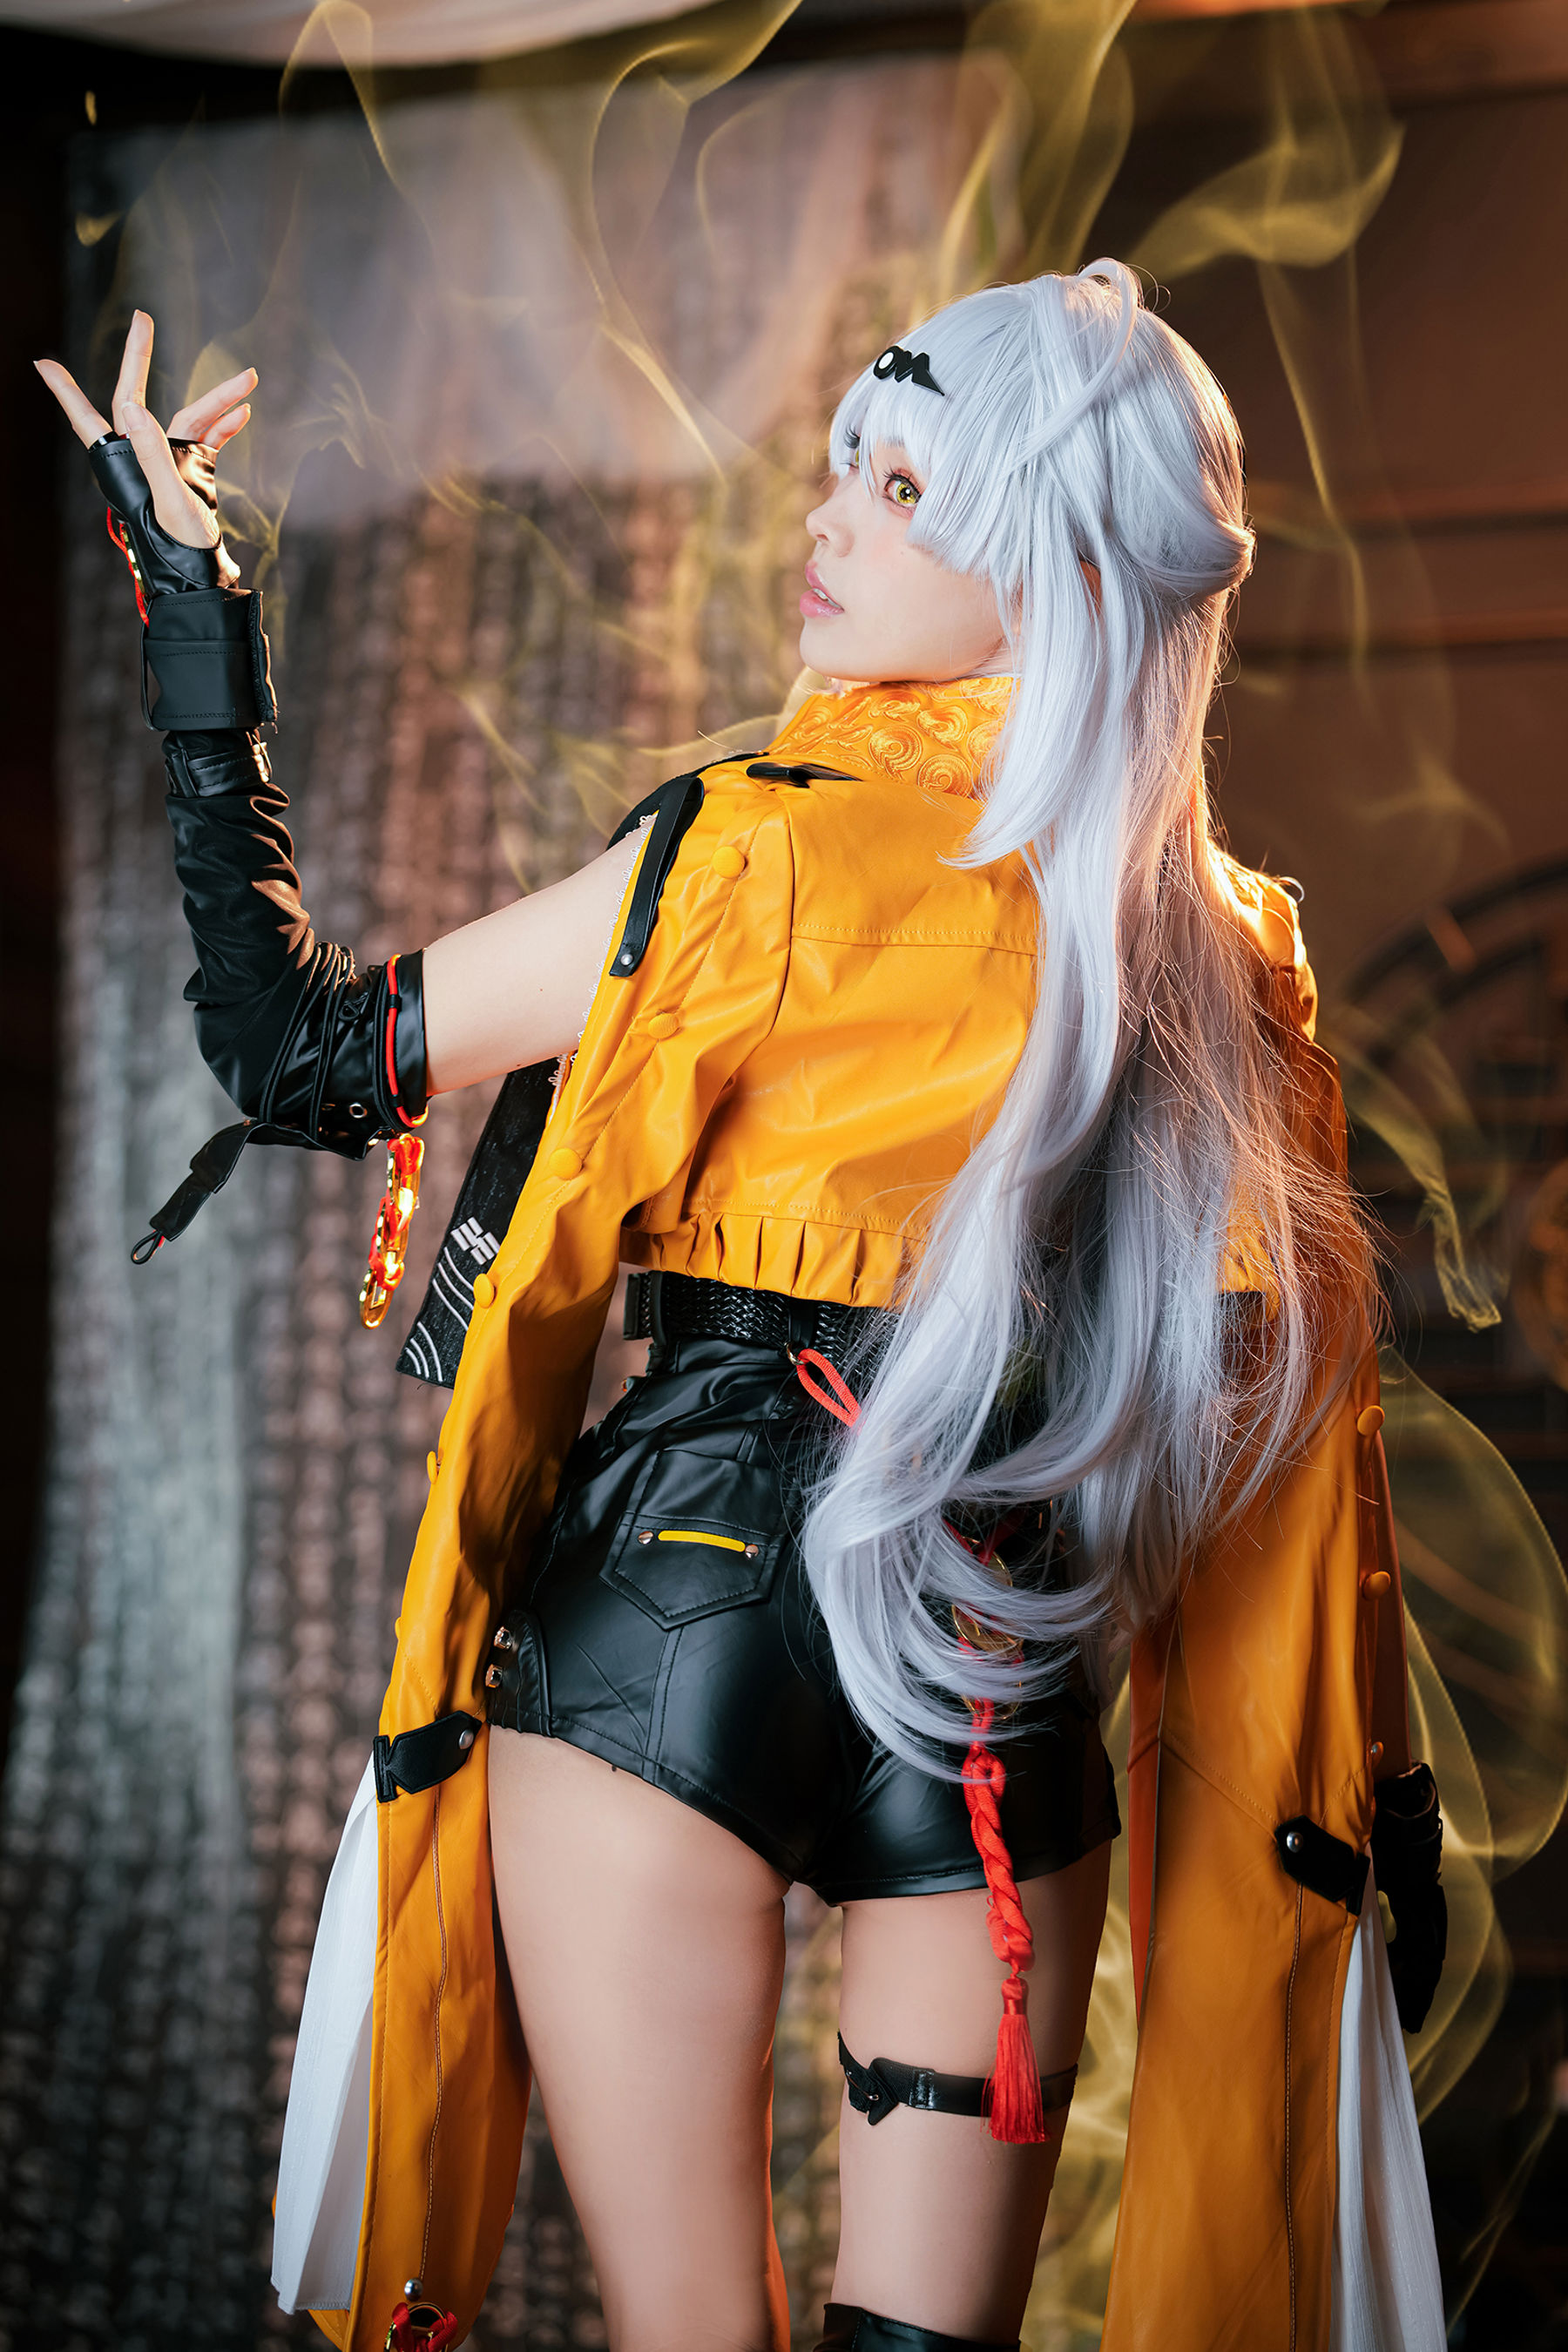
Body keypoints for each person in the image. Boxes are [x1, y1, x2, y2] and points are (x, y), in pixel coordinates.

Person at [38, 260, 1449, 2352]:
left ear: (1068, 563)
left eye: (903, 486)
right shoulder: (1221, 946)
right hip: (991, 1670)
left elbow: (299, 1049)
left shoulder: (741, 863)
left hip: (663, 1634)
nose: (829, 519)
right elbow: (1315, 1431)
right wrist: (1387, 1804)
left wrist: (195, 621)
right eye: (843, 470)